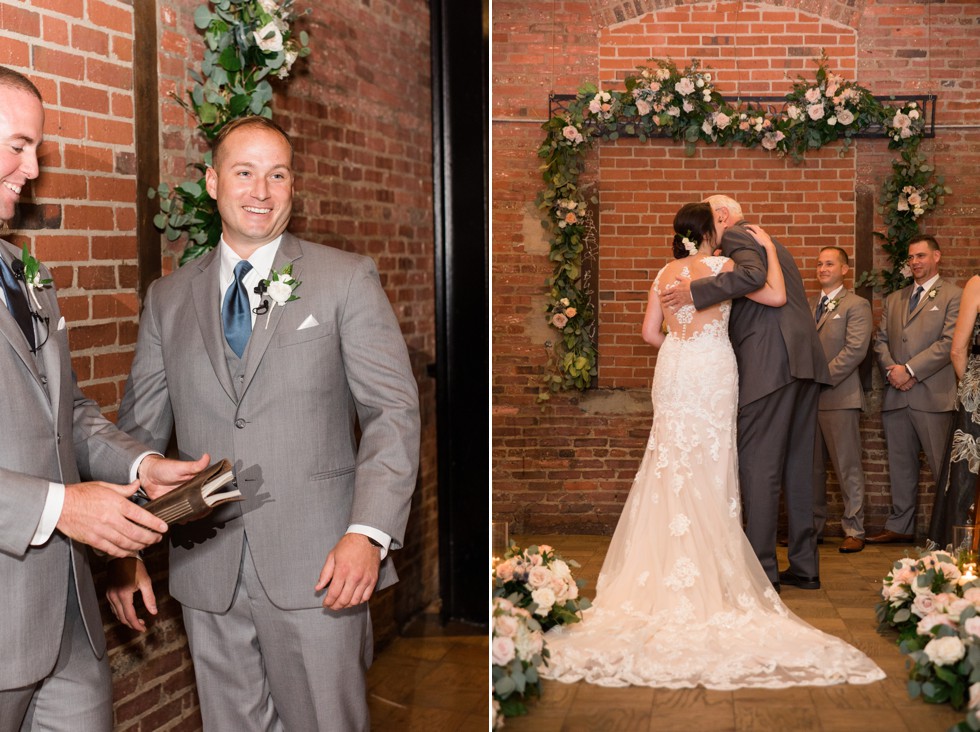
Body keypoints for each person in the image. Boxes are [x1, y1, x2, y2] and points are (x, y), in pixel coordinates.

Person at [106, 115, 420, 731]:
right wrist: (126, 550)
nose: (261, 190)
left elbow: (393, 411)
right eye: (244, 172)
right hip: (206, 568)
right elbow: (136, 436)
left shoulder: (344, 278)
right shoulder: (168, 300)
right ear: (213, 182)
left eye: (277, 175)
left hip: (322, 564)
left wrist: (369, 533)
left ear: (292, 186)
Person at [542, 203, 884, 688]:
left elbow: (648, 334)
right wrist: (764, 249)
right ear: (708, 231)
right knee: (719, 464)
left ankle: (663, 568)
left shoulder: (664, 272)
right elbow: (776, 293)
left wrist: (682, 349)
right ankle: (739, 565)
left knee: (668, 463)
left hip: (675, 372)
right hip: (715, 373)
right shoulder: (723, 264)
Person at [0, 66, 209, 731]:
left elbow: (68, 415)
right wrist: (61, 507)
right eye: (18, 145)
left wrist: (141, 465)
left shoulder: (25, 273)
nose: (31, 169)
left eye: (37, 149)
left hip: (69, 620)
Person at [661, 195, 830, 591]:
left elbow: (755, 278)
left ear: (720, 217)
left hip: (769, 364)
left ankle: (761, 572)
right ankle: (805, 566)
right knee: (799, 467)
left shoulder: (738, 235)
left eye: (709, 219)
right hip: (802, 362)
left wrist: (697, 290)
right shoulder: (770, 242)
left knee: (760, 467)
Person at [868, 236, 960, 545]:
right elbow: (880, 341)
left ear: (937, 256)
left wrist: (909, 370)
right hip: (897, 395)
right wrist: (893, 369)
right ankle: (900, 525)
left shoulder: (953, 296)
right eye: (911, 257)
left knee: (941, 468)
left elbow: (949, 342)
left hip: (933, 396)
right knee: (900, 465)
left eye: (921, 256)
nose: (915, 262)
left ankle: (949, 529)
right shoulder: (895, 298)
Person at [810, 246, 873, 553]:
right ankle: (812, 527)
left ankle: (854, 529)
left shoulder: (856, 305)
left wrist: (819, 377)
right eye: (820, 264)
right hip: (810, 401)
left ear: (844, 270)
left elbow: (855, 351)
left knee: (847, 468)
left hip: (840, 396)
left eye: (830, 263)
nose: (823, 268)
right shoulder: (811, 306)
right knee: (812, 469)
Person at [927, 273, 980, 548]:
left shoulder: (977, 284)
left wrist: (971, 390)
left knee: (967, 476)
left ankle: (962, 549)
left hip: (978, 390)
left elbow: (958, 350)